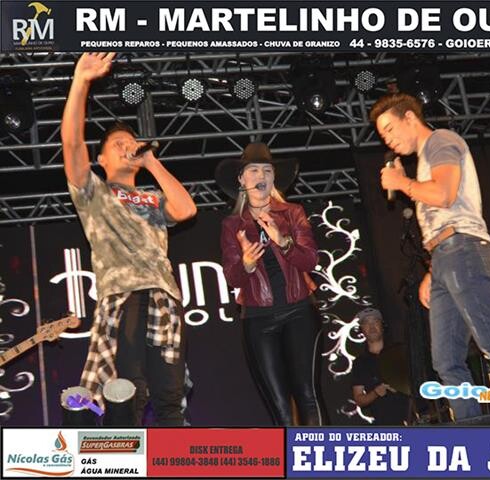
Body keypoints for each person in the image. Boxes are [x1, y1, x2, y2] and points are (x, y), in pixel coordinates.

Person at [372, 92, 490, 420]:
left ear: (409, 118)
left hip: (464, 250)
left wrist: (402, 182)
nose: (387, 139)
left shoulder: (441, 141)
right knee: (445, 360)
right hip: (445, 258)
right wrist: (433, 271)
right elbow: (440, 220)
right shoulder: (425, 161)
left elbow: (445, 196)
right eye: (382, 135)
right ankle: (471, 427)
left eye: (389, 129)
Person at [62, 52, 197, 426]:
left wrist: (151, 162)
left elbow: (186, 210)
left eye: (130, 141)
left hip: (164, 296)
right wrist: (81, 82)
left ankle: (174, 456)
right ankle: (126, 454)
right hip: (123, 296)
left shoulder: (152, 199)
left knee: (170, 397)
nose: (126, 146)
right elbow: (72, 146)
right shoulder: (94, 192)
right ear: (101, 159)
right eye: (117, 144)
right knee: (128, 390)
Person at [216, 142, 322, 426]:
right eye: (253, 170)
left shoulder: (292, 212)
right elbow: (232, 278)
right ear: (242, 180)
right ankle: (287, 455)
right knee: (279, 406)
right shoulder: (232, 225)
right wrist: (247, 264)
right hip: (258, 319)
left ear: (274, 178)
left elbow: (310, 261)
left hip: (299, 311)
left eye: (267, 170)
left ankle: (319, 454)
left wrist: (283, 241)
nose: (261, 175)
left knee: (308, 395)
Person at [352, 308, 411, 425]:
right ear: (361, 329)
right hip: (384, 424)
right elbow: (359, 399)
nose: (371, 326)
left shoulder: (400, 351)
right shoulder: (360, 363)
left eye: (375, 321)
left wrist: (401, 386)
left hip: (412, 417)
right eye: (366, 323)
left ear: (382, 325)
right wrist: (376, 392)